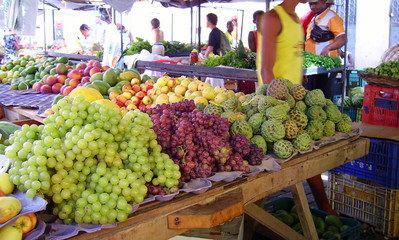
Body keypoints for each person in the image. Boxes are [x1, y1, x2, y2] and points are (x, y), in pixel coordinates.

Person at [304, 0, 345, 98]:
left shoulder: (331, 17)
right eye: (310, 4)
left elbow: (342, 38)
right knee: (311, 99)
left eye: (315, 3)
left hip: (324, 68)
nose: (312, 6)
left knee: (321, 99)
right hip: (314, 67)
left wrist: (328, 48)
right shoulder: (316, 17)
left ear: (324, 2)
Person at [260, 0, 307, 85]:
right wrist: (277, 97)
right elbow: (266, 70)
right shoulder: (273, 17)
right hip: (278, 95)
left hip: (292, 93)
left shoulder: (296, 18)